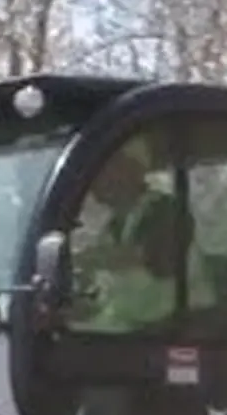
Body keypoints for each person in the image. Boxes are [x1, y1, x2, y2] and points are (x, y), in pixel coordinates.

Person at [70, 135, 216, 333]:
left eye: (108, 168)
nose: (96, 179)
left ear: (134, 170)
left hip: (178, 328)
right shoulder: (112, 228)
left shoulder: (166, 209)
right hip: (132, 329)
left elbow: (157, 259)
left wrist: (89, 258)